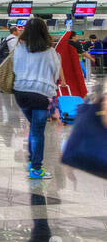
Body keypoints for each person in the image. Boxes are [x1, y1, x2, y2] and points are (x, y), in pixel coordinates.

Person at [12, 17, 62, 181]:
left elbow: (14, 68)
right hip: (41, 94)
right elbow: (55, 74)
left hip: (21, 93)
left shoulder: (19, 48)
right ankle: (36, 169)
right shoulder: (50, 52)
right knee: (37, 132)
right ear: (44, 32)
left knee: (34, 127)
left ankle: (32, 162)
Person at [55, 28, 88, 100]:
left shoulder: (61, 45)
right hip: (72, 69)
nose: (77, 38)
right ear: (73, 37)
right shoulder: (74, 44)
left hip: (63, 71)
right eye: (76, 36)